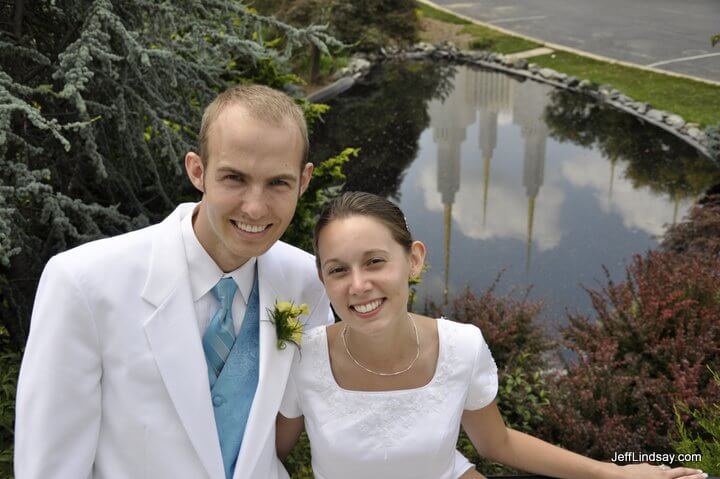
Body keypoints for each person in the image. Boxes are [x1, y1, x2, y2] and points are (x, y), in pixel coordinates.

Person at [15, 84, 335, 479]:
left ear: (303, 182)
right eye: (234, 178)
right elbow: (50, 467)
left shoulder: (308, 281)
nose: (255, 206)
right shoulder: (83, 283)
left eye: (278, 183)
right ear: (197, 171)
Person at [275, 191, 709, 479]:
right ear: (322, 278)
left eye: (374, 261)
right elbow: (267, 456)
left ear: (414, 260)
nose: (358, 285)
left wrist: (615, 472)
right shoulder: (303, 357)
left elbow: (495, 442)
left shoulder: (462, 347)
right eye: (338, 270)